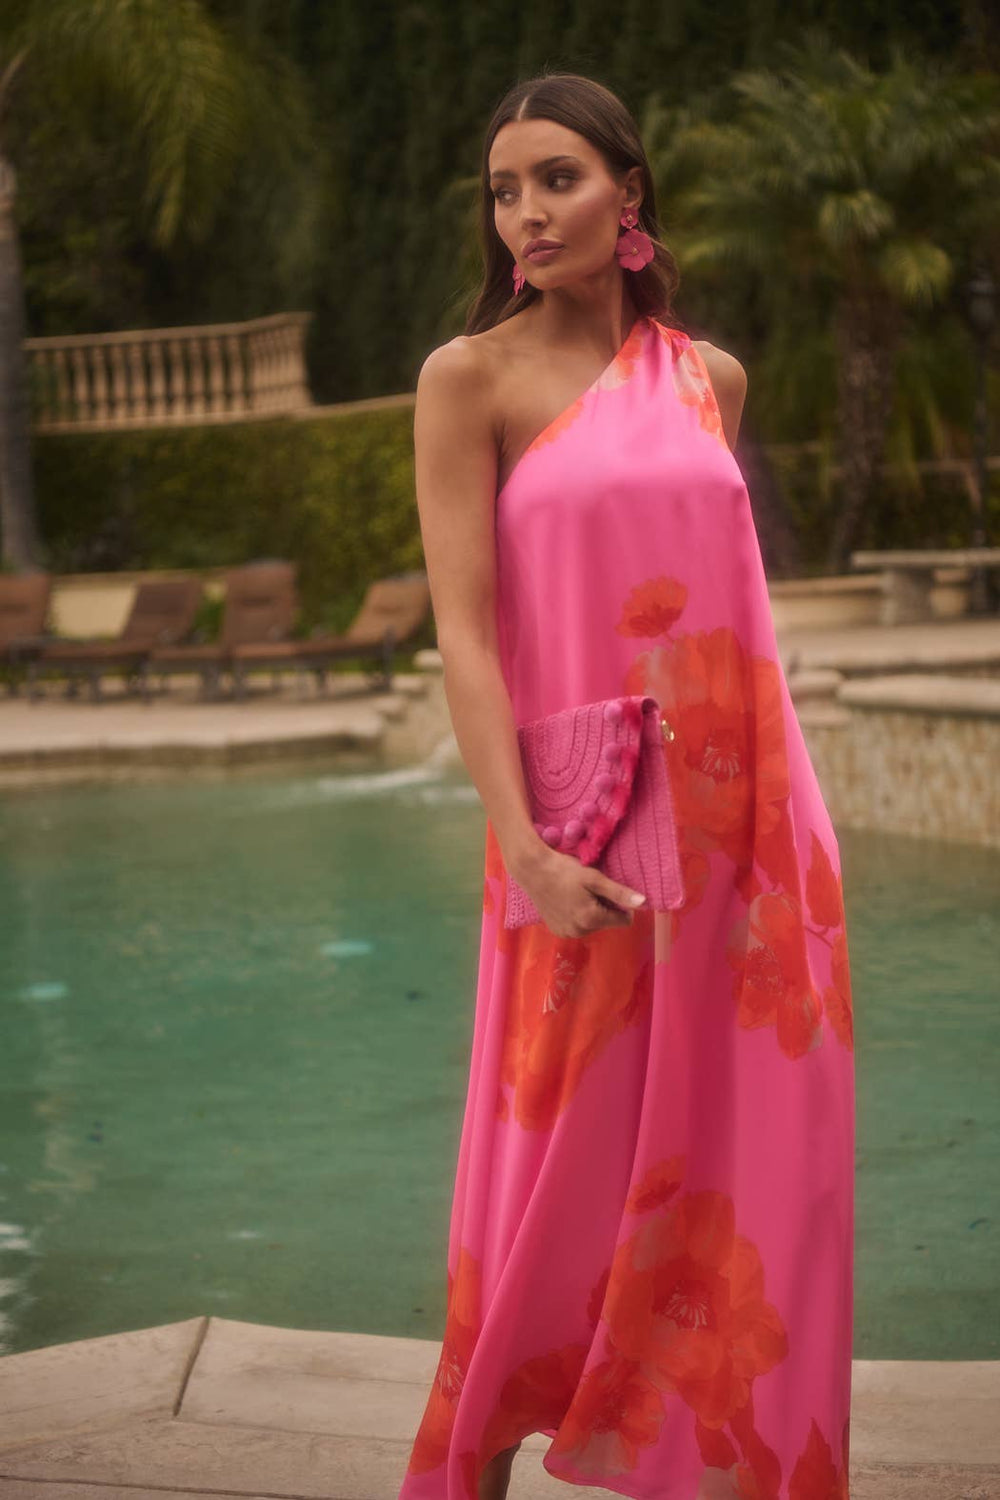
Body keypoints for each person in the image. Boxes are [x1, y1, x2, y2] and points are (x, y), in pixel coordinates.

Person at [397, 71, 855, 1500]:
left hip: (749, 831)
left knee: (761, 1153)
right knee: (551, 1145)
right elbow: (465, 630)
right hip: (576, 823)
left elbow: (733, 604)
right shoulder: (468, 377)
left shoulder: (710, 376)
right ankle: (478, 1448)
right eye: (503, 189)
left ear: (629, 193)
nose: (525, 214)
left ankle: (736, 1461)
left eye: (556, 179)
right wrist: (522, 844)